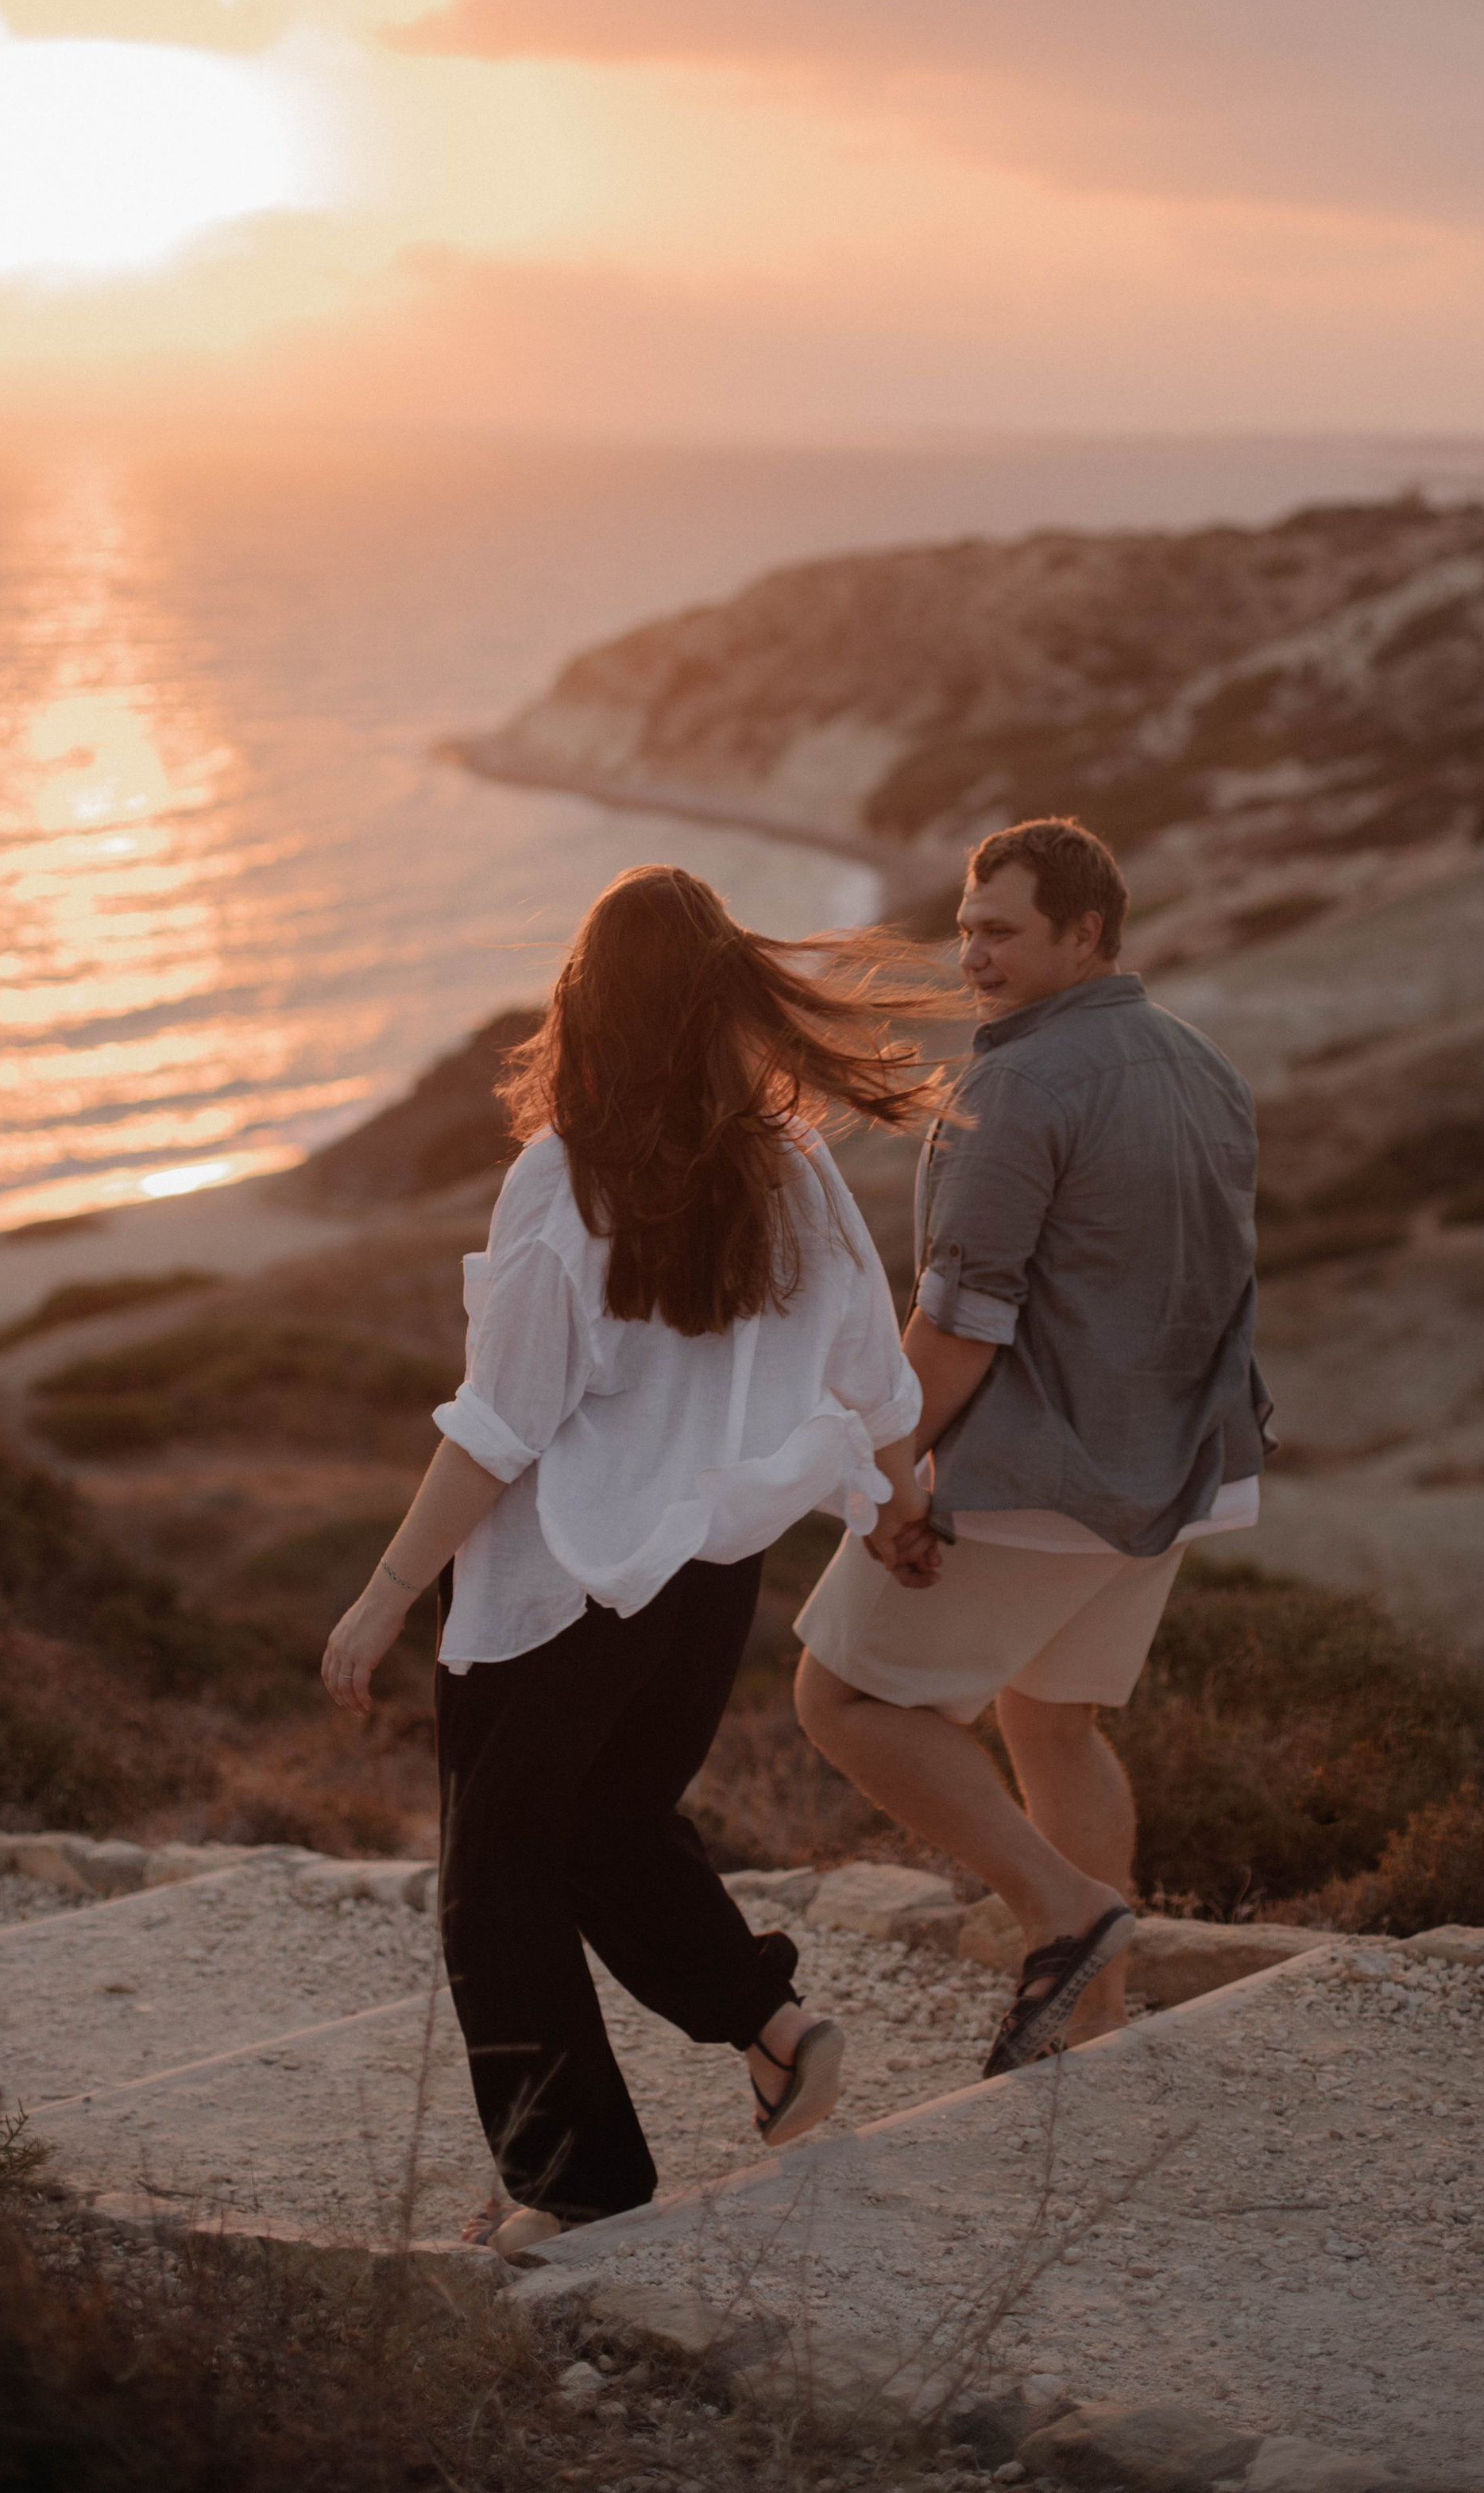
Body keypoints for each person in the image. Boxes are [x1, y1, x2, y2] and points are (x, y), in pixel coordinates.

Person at [322, 865, 942, 2259]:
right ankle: (774, 2033)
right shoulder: (793, 1160)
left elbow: (499, 1426)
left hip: (565, 1591)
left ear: (587, 1006)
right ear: (723, 1002)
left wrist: (385, 1592)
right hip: (707, 1584)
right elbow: (872, 1367)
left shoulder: (567, 1178)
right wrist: (900, 1505)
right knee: (605, 1830)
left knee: (498, 1878)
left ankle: (578, 2183)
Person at [794, 815, 1271, 2079]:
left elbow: (958, 1327)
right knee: (1052, 1724)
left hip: (1039, 1480)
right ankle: (1096, 2027)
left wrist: (882, 1484)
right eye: (964, 930)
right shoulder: (1204, 1066)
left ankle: (1065, 1916)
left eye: (1001, 933)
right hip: (1177, 1467)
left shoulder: (1013, 1085)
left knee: (840, 1697)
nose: (974, 959)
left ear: (1085, 934)